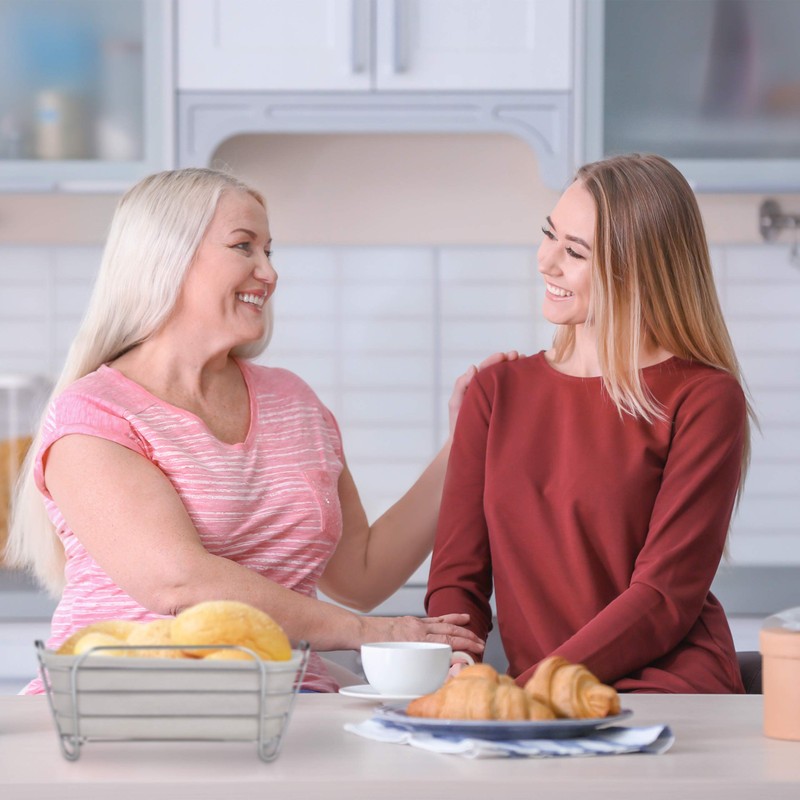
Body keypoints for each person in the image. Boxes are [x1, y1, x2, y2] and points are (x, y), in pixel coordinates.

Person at [7, 167, 513, 693]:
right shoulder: (95, 414)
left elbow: (362, 575)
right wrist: (368, 633)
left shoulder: (293, 402)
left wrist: (465, 443)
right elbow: (177, 581)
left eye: (270, 252)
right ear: (167, 257)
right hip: (125, 706)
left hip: (280, 709)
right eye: (244, 247)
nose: (268, 273)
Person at [426, 153, 755, 694]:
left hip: (665, 689)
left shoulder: (705, 398)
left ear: (639, 270)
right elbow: (456, 582)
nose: (546, 261)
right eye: (548, 234)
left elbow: (664, 598)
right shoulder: (495, 392)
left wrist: (524, 690)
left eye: (574, 251)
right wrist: (457, 667)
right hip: (543, 697)